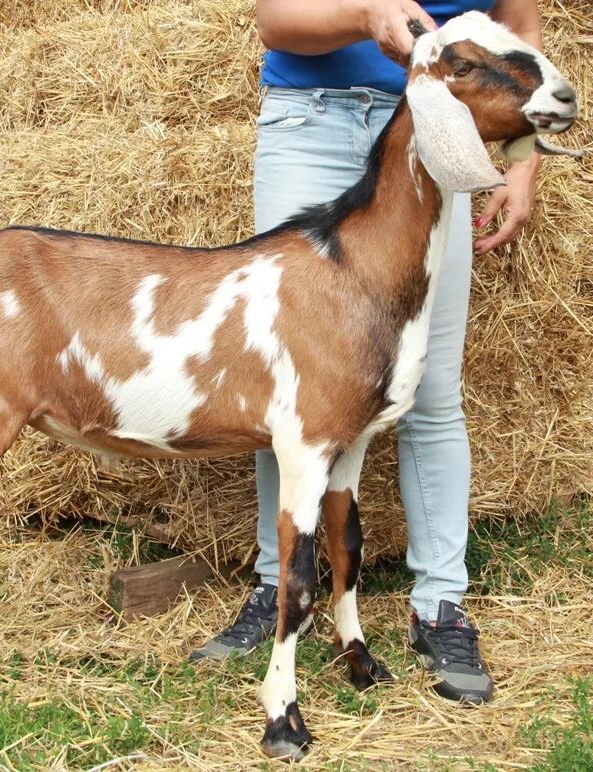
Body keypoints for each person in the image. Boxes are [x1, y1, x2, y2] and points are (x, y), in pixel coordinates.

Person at [190, 0, 544, 704]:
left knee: (433, 390)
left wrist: (523, 160)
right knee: (289, 384)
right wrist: (362, 14)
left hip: (444, 131)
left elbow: (521, 28)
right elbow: (276, 21)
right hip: (313, 119)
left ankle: (440, 604)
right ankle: (278, 586)